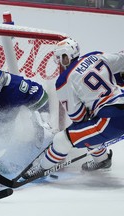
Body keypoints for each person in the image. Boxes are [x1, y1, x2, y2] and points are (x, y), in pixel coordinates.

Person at [23, 37, 124, 179]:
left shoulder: (64, 79)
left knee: (62, 139)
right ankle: (102, 161)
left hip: (110, 119)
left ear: (64, 57)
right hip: (118, 106)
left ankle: (41, 169)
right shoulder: (94, 55)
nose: (59, 61)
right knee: (90, 130)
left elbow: (78, 117)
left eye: (59, 57)